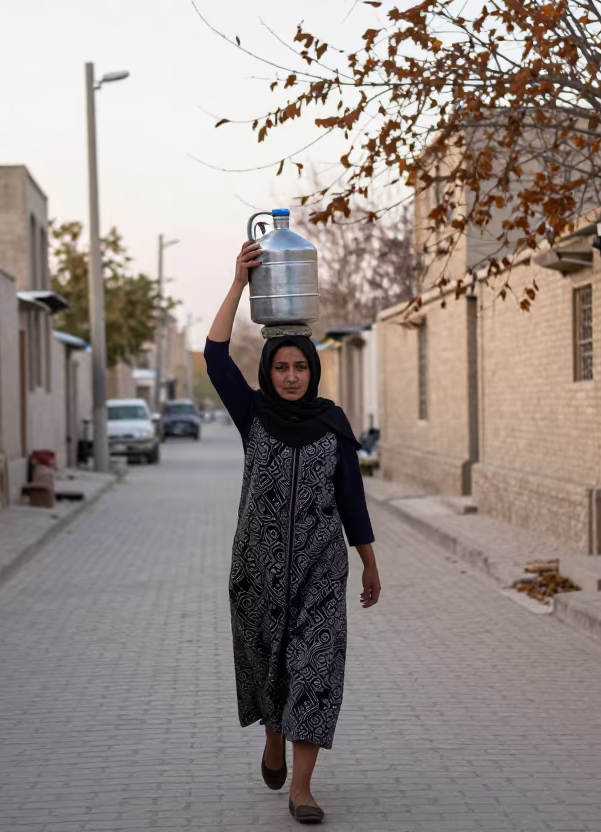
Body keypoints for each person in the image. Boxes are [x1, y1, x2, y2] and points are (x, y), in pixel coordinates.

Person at [204, 240, 381, 825]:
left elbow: (352, 501)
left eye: (299, 366)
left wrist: (369, 562)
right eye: (280, 366)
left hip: (321, 572)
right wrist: (237, 283)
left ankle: (302, 789)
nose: (290, 376)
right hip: (256, 571)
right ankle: (272, 736)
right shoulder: (251, 415)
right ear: (268, 370)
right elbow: (214, 354)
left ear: (314, 369)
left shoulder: (333, 424)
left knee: (313, 669)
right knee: (271, 667)